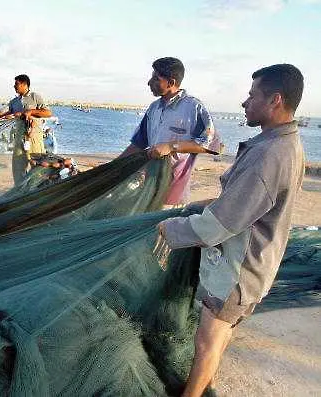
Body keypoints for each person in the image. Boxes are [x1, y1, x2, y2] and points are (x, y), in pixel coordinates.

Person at [154, 64, 305, 397]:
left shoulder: (269, 154)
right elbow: (246, 202)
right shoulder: (286, 144)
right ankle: (206, 383)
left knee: (208, 339)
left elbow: (220, 224)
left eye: (252, 95)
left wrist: (173, 227)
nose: (244, 102)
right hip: (257, 263)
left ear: (275, 100)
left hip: (240, 268)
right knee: (222, 332)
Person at [120, 57, 219, 207]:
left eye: (155, 78)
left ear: (171, 83)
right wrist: (114, 165)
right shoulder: (154, 108)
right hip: (149, 188)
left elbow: (210, 145)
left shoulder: (193, 108)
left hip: (175, 193)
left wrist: (171, 146)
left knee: (165, 227)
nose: (149, 82)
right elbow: (138, 144)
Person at [0, 74, 52, 185]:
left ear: (25, 85)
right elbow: (0, 113)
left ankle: (36, 190)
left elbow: (48, 113)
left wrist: (31, 111)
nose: (14, 86)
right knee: (17, 168)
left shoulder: (35, 97)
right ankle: (20, 190)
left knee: (37, 166)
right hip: (19, 138)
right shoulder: (14, 101)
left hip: (34, 137)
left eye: (16, 84)